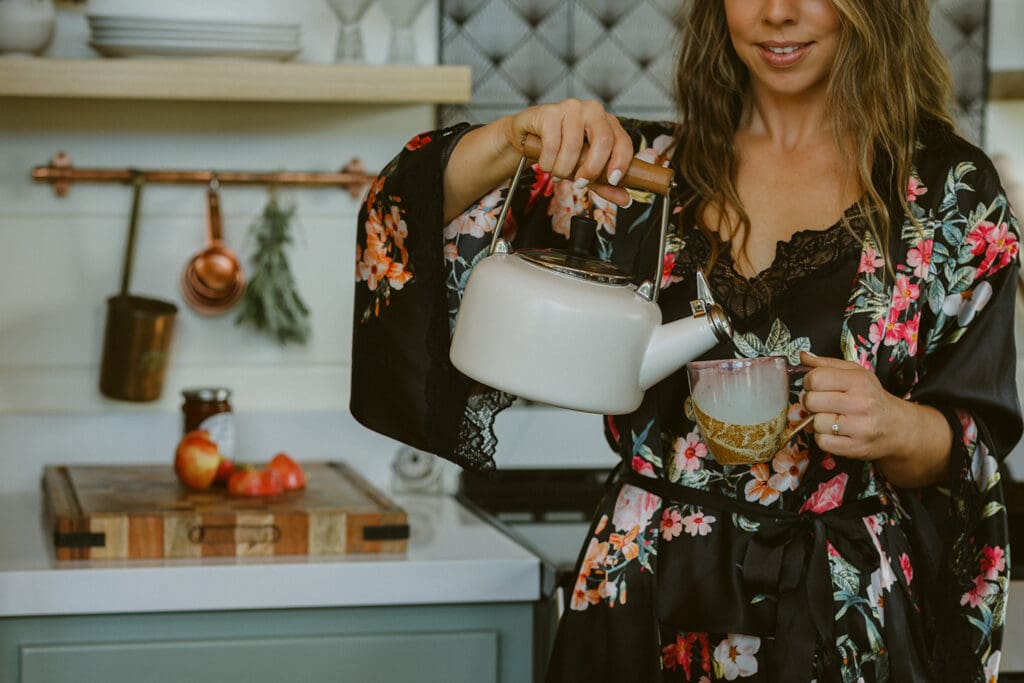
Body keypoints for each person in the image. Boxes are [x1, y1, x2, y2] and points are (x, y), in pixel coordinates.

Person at [350, 0, 1022, 680]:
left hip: (837, 614)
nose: (777, 14)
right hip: (640, 594)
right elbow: (404, 223)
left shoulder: (949, 198)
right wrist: (512, 137)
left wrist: (898, 426)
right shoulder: (633, 177)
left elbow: (975, 440)